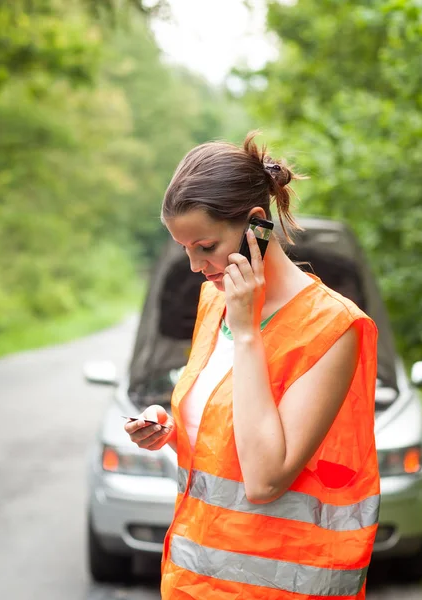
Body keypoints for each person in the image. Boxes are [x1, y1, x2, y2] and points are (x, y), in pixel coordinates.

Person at [125, 132, 380, 600]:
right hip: (193, 585)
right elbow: (228, 434)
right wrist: (171, 428)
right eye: (185, 249)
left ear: (256, 225)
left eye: (205, 246)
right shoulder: (214, 301)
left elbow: (263, 479)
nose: (196, 266)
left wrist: (247, 333)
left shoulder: (333, 327)